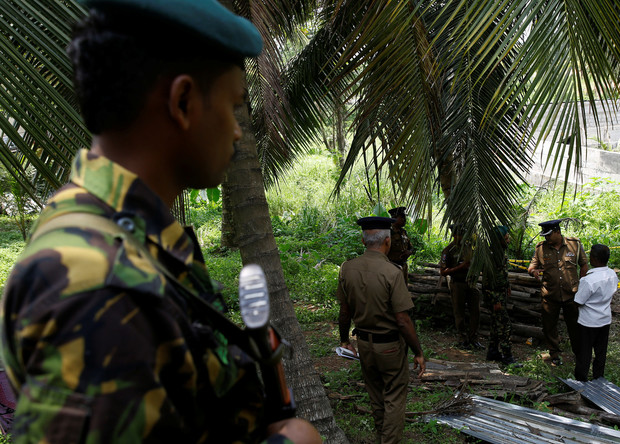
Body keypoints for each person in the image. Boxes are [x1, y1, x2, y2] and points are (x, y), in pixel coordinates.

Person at [0, 1, 321, 442]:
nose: (237, 131)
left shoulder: (113, 232)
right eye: (233, 106)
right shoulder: (99, 285)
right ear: (183, 101)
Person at [337, 216, 426, 444]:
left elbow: (344, 311)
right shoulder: (393, 272)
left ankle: (381, 437)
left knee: (376, 395)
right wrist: (418, 351)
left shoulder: (347, 268)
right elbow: (403, 320)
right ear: (387, 241)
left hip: (364, 344)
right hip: (390, 347)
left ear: (363, 239)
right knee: (394, 396)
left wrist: (345, 340)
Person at [528, 219, 589, 366]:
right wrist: (533, 272)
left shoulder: (574, 244)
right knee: (549, 326)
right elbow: (531, 267)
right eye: (544, 236)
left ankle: (578, 353)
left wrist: (582, 284)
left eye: (548, 235)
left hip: (571, 295)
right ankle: (554, 354)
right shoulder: (541, 248)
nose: (546, 238)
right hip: (550, 294)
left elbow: (584, 264)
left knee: (575, 325)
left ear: (557, 232)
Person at [573, 244, 619, 381]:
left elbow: (578, 301)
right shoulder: (612, 274)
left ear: (594, 259)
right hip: (604, 319)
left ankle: (581, 379)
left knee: (584, 353)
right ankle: (598, 378)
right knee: (600, 352)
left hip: (588, 322)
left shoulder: (588, 280)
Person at [439, 224, 482, 350]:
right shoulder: (448, 251)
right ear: (454, 235)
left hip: (471, 283)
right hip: (458, 284)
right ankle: (462, 339)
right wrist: (460, 267)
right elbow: (443, 271)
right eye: (459, 234)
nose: (462, 237)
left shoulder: (470, 247)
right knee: (459, 312)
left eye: (464, 234)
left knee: (476, 312)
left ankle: (474, 339)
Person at [481, 226, 517, 365]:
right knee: (504, 325)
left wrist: (507, 285)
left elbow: (501, 274)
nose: (508, 241)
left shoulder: (500, 253)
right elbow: (488, 281)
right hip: (494, 297)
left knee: (496, 325)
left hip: (500, 294)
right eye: (506, 238)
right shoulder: (492, 256)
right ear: (498, 240)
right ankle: (508, 358)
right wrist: (496, 300)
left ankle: (493, 352)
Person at [387, 206, 414, 284]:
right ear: (394, 218)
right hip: (391, 267)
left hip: (403, 267)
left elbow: (411, 247)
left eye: (404, 217)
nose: (404, 219)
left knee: (403, 289)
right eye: (402, 217)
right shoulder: (388, 233)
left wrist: (409, 252)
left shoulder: (403, 232)